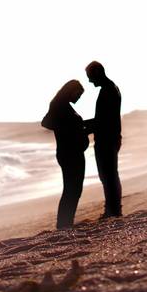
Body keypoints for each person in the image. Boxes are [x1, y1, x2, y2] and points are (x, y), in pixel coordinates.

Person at [41, 80, 89, 229]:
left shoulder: (64, 106)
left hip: (72, 152)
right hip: (69, 153)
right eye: (78, 94)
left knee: (74, 189)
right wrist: (71, 129)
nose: (79, 98)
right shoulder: (59, 106)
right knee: (71, 189)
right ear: (71, 91)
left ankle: (66, 222)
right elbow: (46, 122)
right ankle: (64, 224)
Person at [84, 61, 122, 218]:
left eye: (90, 77)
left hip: (107, 139)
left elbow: (103, 120)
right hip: (111, 137)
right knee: (110, 174)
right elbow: (104, 119)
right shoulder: (112, 89)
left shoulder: (108, 91)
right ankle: (113, 208)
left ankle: (112, 210)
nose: (89, 81)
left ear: (98, 73)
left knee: (108, 175)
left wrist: (80, 127)